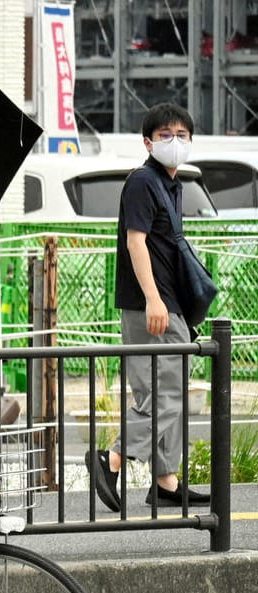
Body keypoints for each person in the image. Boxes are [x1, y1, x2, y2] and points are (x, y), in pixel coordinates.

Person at [89, 103, 211, 511]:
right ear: (147, 142)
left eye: (182, 135)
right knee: (166, 395)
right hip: (151, 307)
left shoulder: (169, 184)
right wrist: (155, 299)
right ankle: (113, 458)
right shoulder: (144, 181)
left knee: (165, 391)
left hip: (166, 305)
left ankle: (166, 481)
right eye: (165, 136)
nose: (174, 142)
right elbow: (135, 242)